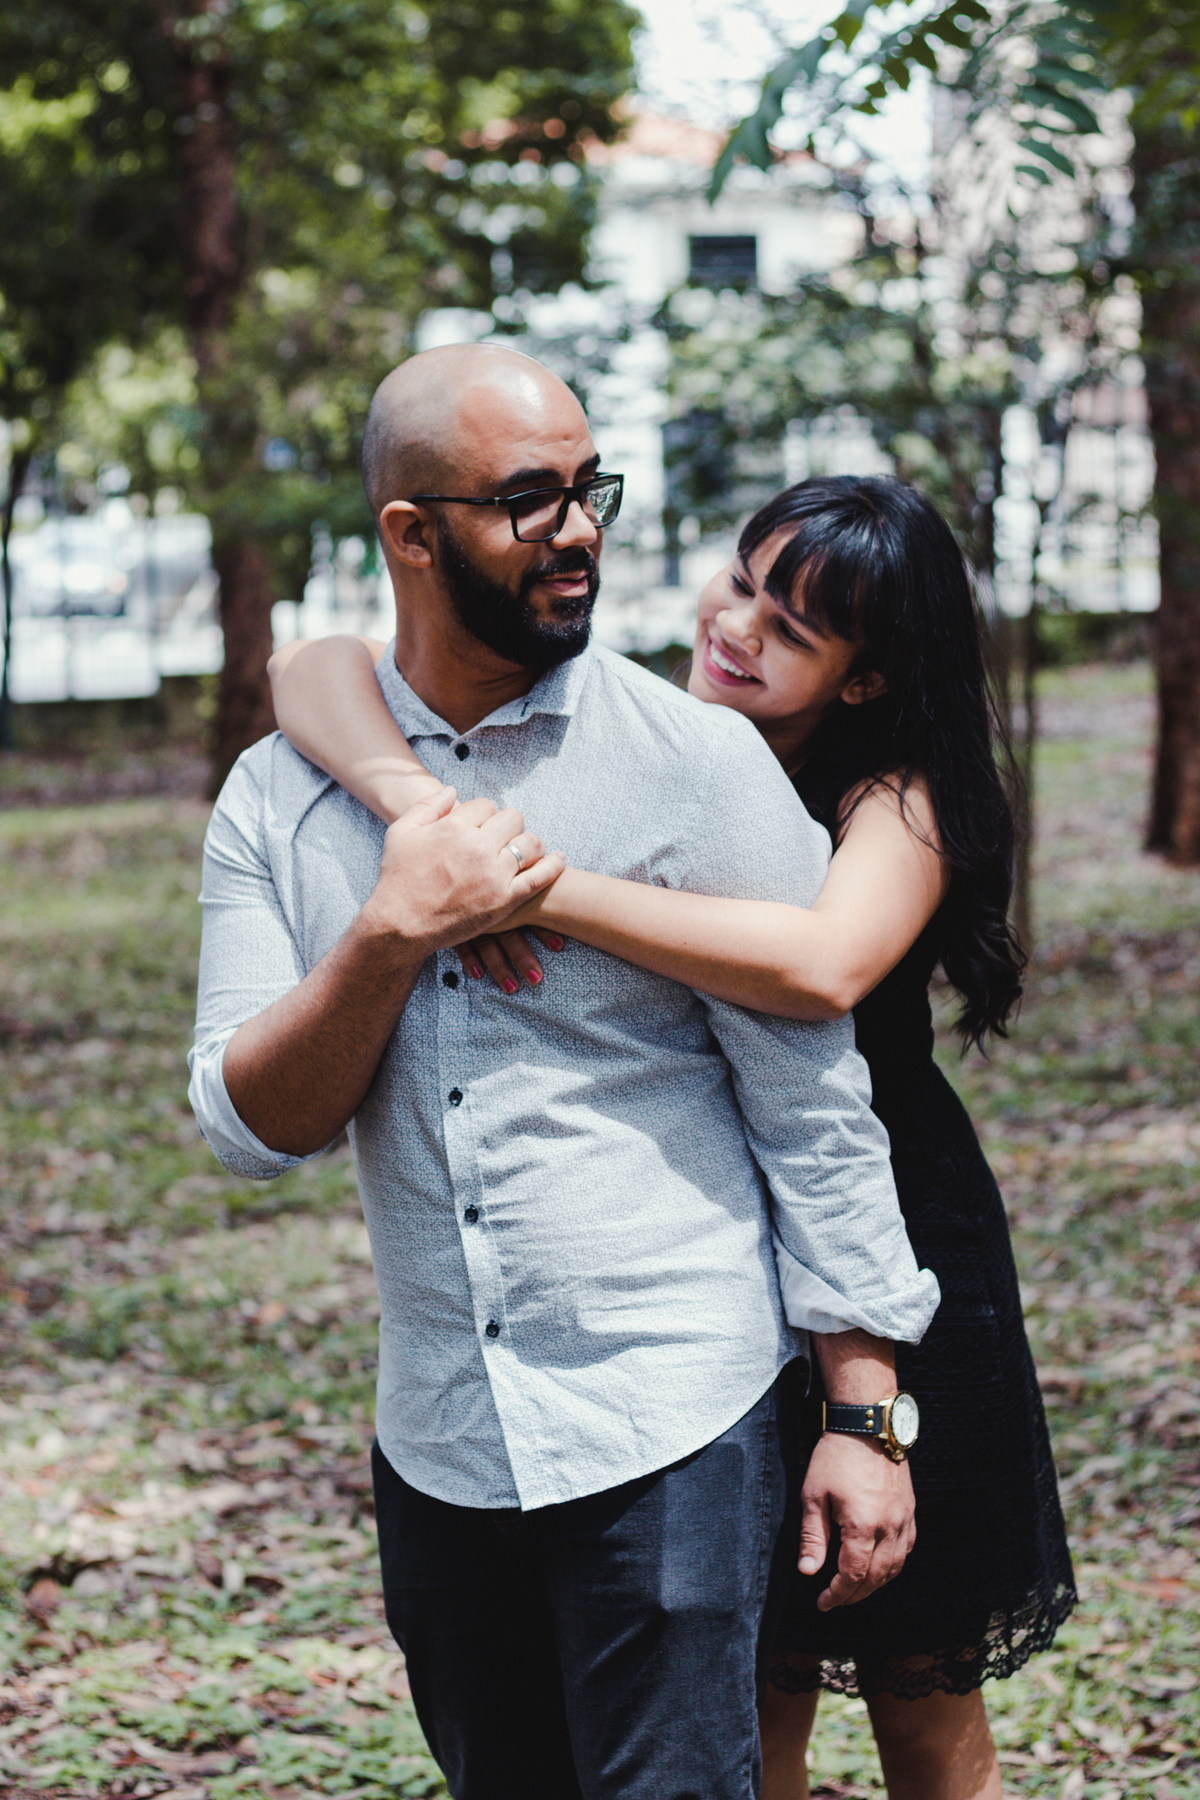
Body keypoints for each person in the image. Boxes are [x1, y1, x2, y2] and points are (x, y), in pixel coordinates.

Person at [189, 344, 941, 1800]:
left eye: (586, 488)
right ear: (410, 533)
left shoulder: (693, 765)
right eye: (527, 500)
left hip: (673, 1417)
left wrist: (863, 1415)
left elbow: (814, 1110)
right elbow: (246, 1126)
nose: (580, 529)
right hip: (442, 1441)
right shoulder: (282, 796)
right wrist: (390, 935)